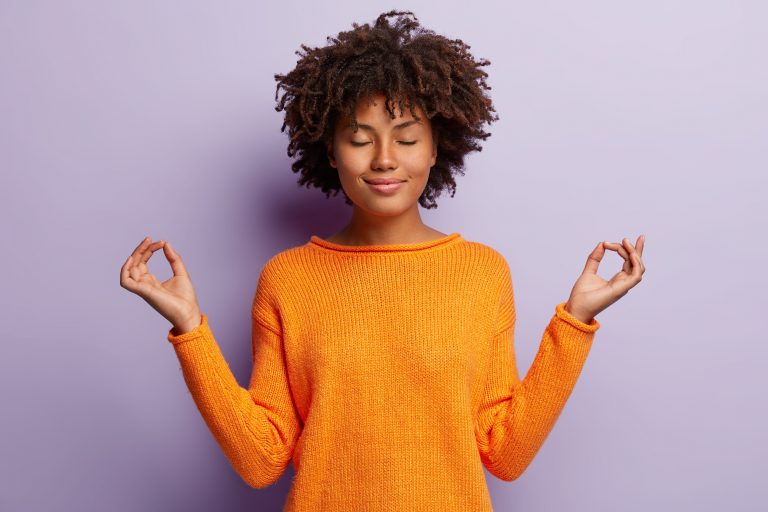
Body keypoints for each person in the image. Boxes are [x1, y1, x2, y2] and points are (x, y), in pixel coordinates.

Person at [119, 10, 646, 511]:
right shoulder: (287, 279)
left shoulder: (482, 273)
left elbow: (504, 453)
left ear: (437, 148)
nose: (385, 159)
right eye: (359, 139)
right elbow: (261, 461)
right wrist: (190, 331)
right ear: (330, 150)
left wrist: (575, 322)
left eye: (408, 138)